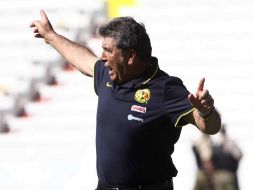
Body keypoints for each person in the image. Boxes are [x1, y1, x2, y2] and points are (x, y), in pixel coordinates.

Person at [30, 10, 222, 190]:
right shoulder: (108, 74)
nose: (102, 58)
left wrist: (205, 111)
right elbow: (84, 60)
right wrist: (51, 36)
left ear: (130, 56)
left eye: (108, 51)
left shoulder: (165, 88)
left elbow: (210, 127)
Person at [212, 125, 242, 190]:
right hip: (227, 175)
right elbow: (239, 156)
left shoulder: (215, 143)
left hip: (220, 175)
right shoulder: (230, 143)